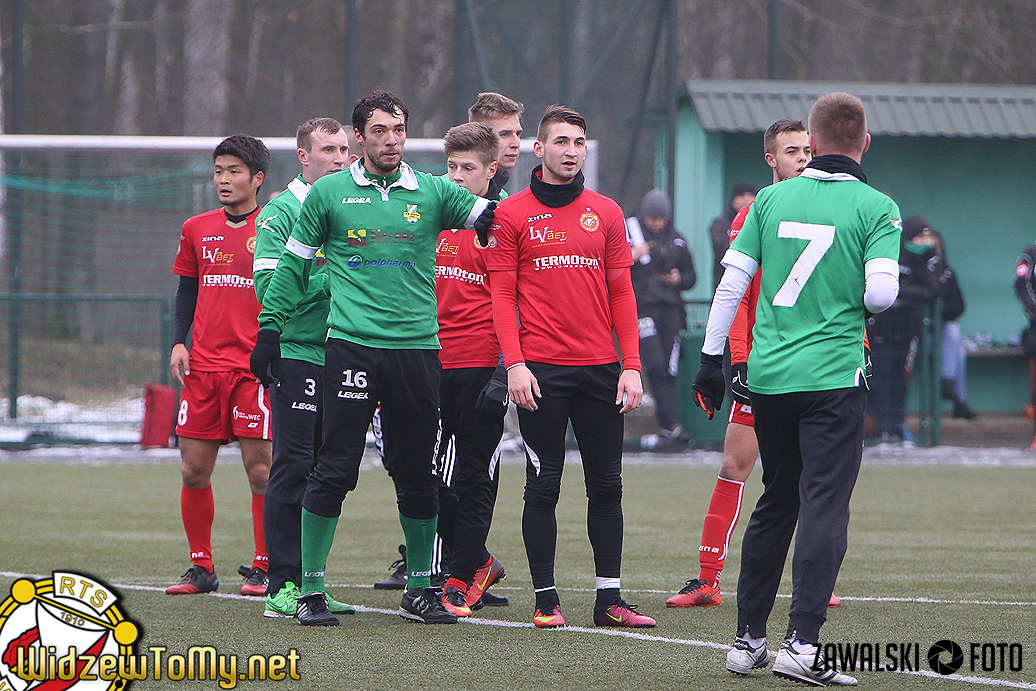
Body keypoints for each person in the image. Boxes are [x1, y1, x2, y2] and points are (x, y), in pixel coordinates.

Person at [250, 90, 494, 626]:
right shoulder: (328, 194)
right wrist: (269, 328)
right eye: (379, 131)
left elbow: (496, 219)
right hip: (351, 349)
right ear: (360, 137)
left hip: (418, 353)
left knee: (417, 472)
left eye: (398, 130)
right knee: (334, 468)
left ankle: (419, 590)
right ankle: (310, 589)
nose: (390, 140)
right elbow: (292, 266)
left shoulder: (432, 191)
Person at [692, 92, 900, 685]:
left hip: (769, 376)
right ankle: (802, 645)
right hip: (832, 377)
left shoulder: (769, 200)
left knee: (777, 498)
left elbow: (732, 284)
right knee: (824, 504)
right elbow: (882, 294)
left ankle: (747, 640)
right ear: (864, 143)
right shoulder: (877, 206)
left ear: (812, 142)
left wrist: (710, 360)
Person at [486, 105, 654, 630]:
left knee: (607, 487)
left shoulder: (606, 212)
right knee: (543, 486)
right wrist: (515, 364)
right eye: (561, 141)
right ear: (539, 149)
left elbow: (622, 292)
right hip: (541, 372)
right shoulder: (511, 213)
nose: (571, 151)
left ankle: (610, 600)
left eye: (579, 142)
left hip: (601, 370)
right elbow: (501, 296)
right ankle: (546, 599)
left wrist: (631, 366)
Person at [668, 118, 841, 610]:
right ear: (771, 159)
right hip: (766, 361)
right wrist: (737, 362)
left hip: (820, 362)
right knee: (734, 464)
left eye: (807, 150)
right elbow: (738, 294)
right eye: (792, 151)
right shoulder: (753, 214)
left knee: (814, 474)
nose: (802, 159)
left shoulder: (833, 208)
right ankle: (707, 580)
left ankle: (816, 580)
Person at [252, 118, 361, 619]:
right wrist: (334, 278)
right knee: (294, 463)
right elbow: (269, 286)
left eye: (344, 150)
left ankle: (312, 580)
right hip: (298, 353)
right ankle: (281, 584)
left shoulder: (350, 205)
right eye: (328, 150)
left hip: (345, 352)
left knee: (328, 469)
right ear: (303, 156)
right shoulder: (281, 211)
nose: (339, 159)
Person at [167, 134, 273, 597]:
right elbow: (187, 289)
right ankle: (201, 567)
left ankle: (265, 566)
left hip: (253, 369)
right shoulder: (196, 228)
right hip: (204, 368)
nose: (224, 180)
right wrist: (179, 341)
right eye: (218, 172)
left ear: (257, 178)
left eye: (234, 171)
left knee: (261, 472)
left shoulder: (274, 226)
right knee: (193, 470)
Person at [433, 122, 510, 618]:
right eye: (451, 167)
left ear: (490, 171)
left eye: (468, 168)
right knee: (421, 476)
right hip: (428, 365)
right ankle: (478, 559)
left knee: (472, 476)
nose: (457, 177)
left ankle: (460, 578)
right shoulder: (431, 220)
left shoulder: (503, 226)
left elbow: (517, 304)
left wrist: (504, 372)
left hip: (481, 368)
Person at [867, 214, 947, 440]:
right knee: (880, 378)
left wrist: (903, 291)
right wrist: (903, 291)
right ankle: (881, 428)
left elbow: (933, 291)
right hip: (880, 329)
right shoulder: (893, 254)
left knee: (899, 379)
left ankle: (896, 427)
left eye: (927, 237)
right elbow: (883, 289)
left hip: (908, 331)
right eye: (920, 237)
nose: (925, 242)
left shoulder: (930, 259)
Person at [627, 188, 696, 445]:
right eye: (653, 218)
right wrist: (631, 256)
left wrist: (678, 279)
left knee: (668, 368)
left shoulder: (676, 239)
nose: (657, 223)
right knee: (654, 363)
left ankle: (670, 426)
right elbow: (608, 265)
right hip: (642, 309)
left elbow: (691, 277)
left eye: (662, 219)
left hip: (670, 310)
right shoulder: (629, 232)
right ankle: (668, 423)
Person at [468, 92, 524, 199]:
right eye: (504, 134)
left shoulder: (503, 196)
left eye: (518, 134)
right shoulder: (446, 191)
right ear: (478, 137)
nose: (516, 144)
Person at [709, 180, 757, 290]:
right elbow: (721, 250)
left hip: (755, 284)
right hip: (728, 283)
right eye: (741, 195)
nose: (746, 199)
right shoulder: (720, 224)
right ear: (733, 199)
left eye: (750, 195)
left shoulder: (761, 222)